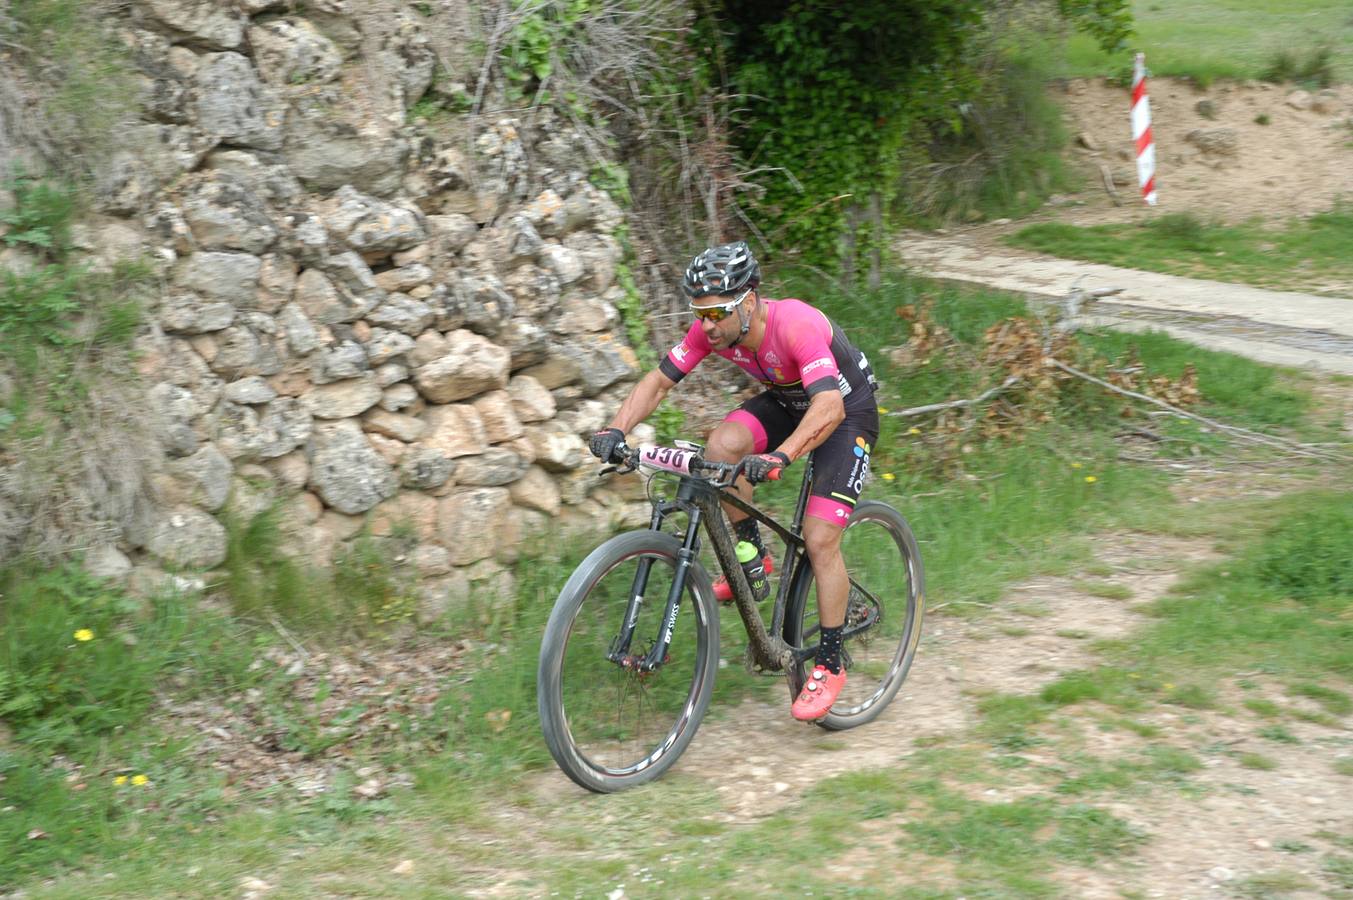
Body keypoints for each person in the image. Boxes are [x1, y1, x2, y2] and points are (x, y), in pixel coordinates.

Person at [588, 240, 879, 721]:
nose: (706, 326)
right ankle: (753, 556)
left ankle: (830, 661)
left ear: (748, 302)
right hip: (790, 401)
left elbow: (829, 406)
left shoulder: (796, 324)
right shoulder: (713, 329)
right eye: (699, 315)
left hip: (844, 411)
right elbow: (659, 381)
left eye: (716, 314)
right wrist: (616, 430)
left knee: (820, 538)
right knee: (721, 449)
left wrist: (782, 455)